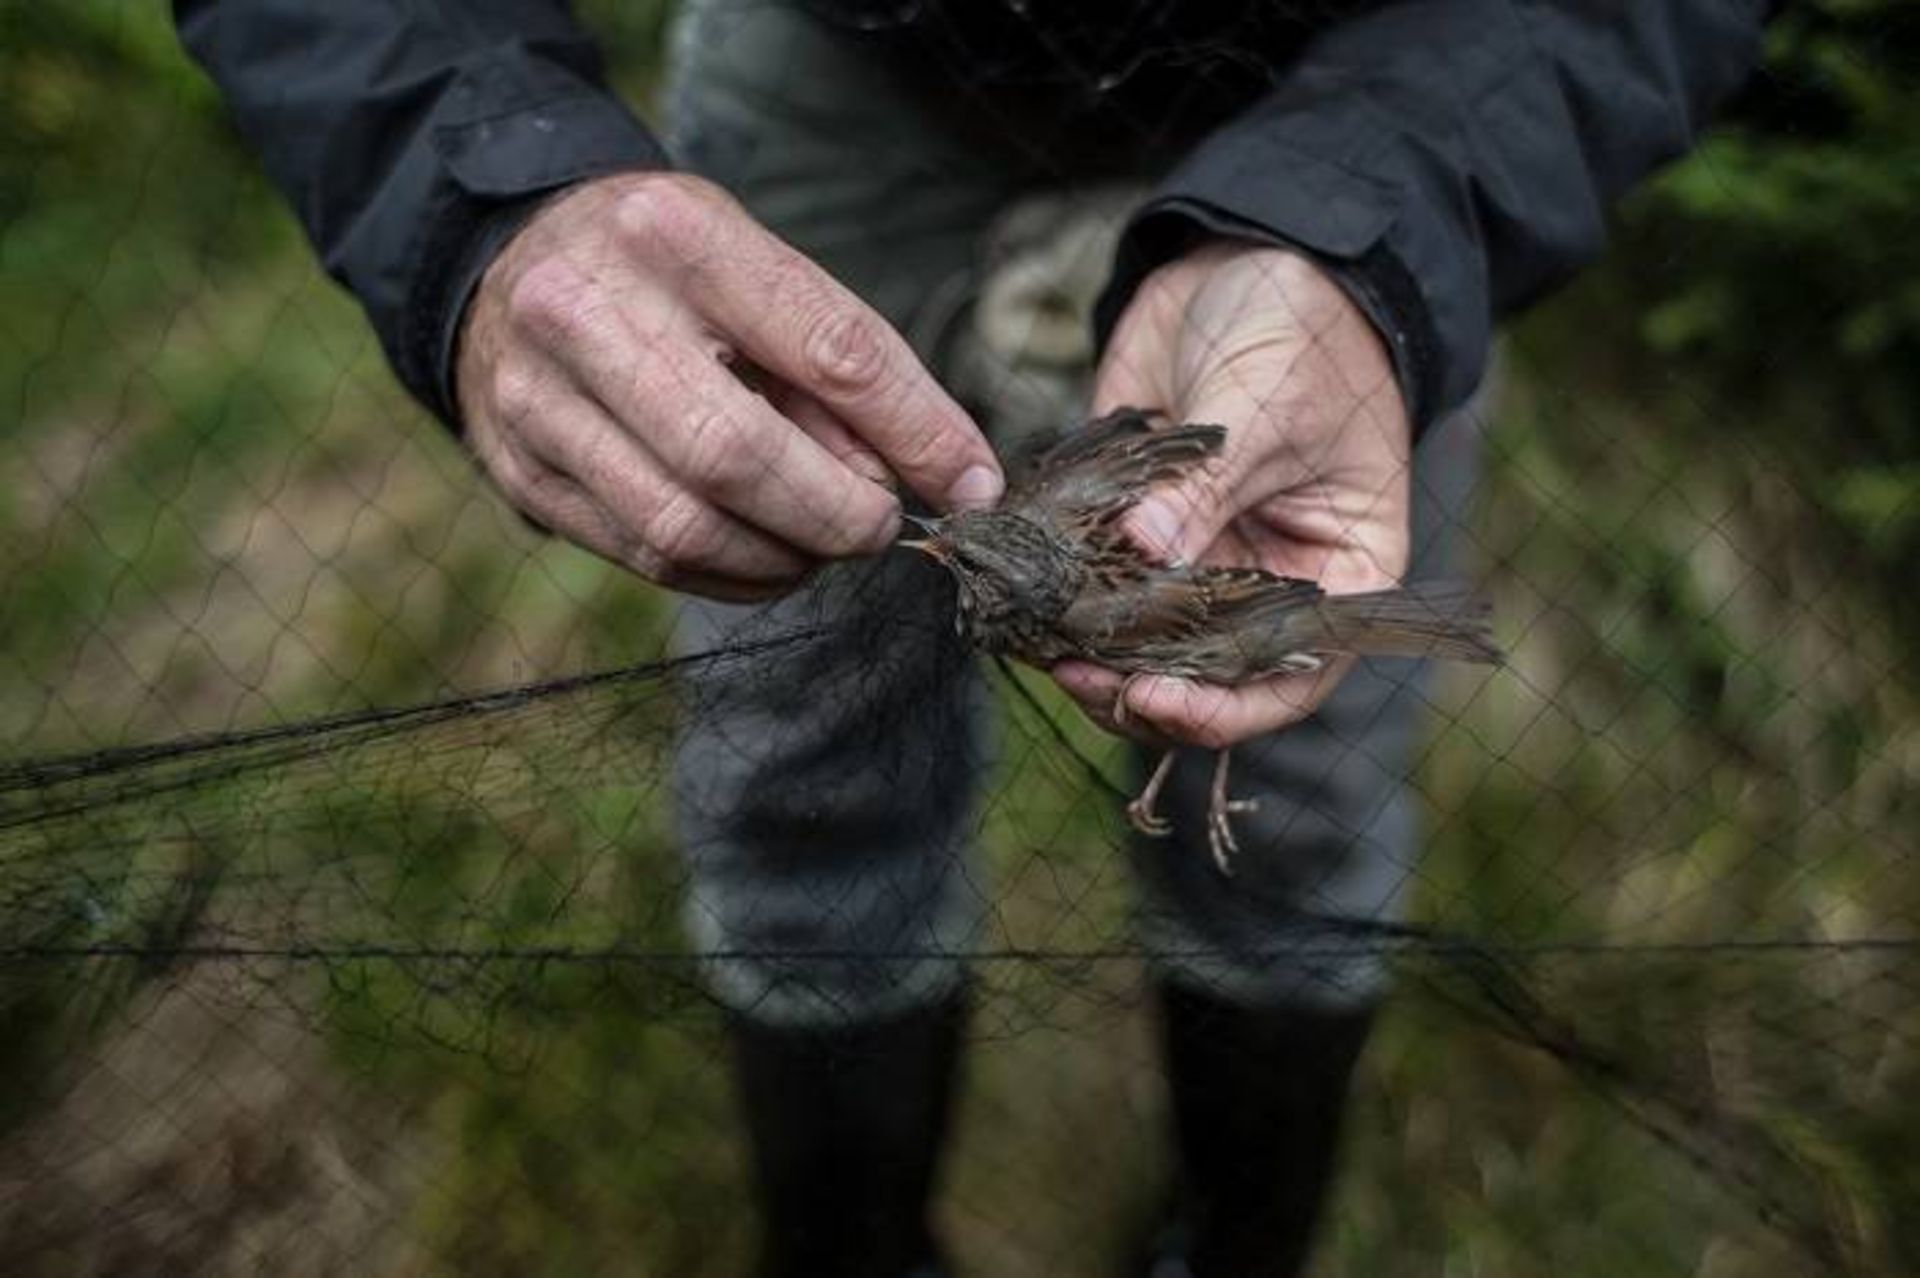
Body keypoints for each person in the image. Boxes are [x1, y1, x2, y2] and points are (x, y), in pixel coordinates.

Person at [175, 2, 1772, 1274]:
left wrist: (1371, 227)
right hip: (840, 66)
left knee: (1301, 781)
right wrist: (483, 195)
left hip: (1370, 82)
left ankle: (1240, 1242)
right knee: (804, 766)